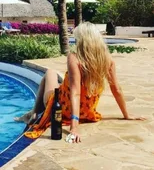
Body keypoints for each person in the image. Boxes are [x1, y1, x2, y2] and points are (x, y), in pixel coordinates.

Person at [15, 22, 145, 143]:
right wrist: (126, 115)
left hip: (63, 109)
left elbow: (75, 92)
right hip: (88, 112)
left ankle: (34, 113)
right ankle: (32, 113)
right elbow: (116, 89)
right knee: (57, 82)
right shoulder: (107, 60)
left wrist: (74, 127)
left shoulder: (75, 58)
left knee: (50, 73)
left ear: (82, 41)